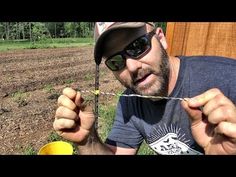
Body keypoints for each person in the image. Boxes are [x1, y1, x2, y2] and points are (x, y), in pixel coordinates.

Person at [53, 22, 236, 155]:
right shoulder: (129, 102)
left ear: (161, 38)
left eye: (138, 46)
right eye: (116, 62)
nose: (132, 67)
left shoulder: (228, 78)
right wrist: (87, 141)